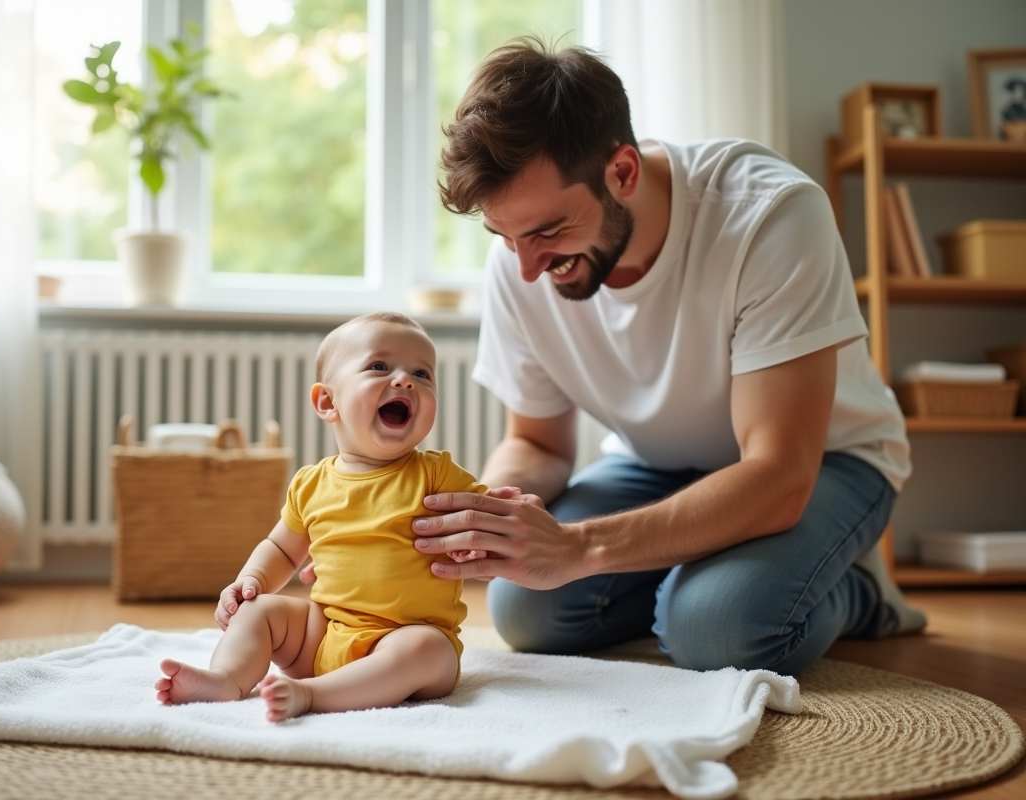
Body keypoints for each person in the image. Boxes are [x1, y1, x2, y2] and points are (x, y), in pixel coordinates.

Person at [408, 37, 925, 676]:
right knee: (525, 609)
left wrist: (581, 548)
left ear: (622, 172)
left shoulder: (769, 216)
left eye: (547, 232)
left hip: (822, 463)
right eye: (505, 236)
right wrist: (481, 518)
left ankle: (855, 591)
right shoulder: (519, 260)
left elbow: (778, 476)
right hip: (655, 466)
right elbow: (538, 445)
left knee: (715, 631)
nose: (528, 266)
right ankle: (700, 573)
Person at [155, 312, 486, 720]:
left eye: (422, 374)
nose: (405, 381)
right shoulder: (311, 484)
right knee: (260, 611)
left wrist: (501, 513)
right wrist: (251, 582)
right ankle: (227, 678)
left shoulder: (437, 474)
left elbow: (484, 518)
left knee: (427, 648)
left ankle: (312, 695)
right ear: (328, 402)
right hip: (324, 633)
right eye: (379, 366)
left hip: (404, 641)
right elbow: (281, 548)